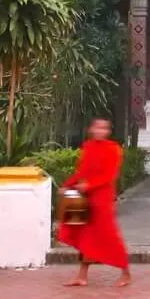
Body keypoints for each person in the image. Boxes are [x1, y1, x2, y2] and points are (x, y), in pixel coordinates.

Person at [58, 118, 131, 287]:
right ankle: (82, 276)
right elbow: (82, 171)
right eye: (97, 127)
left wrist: (88, 185)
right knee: (85, 236)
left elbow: (109, 175)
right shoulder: (88, 146)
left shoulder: (114, 149)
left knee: (109, 235)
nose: (100, 131)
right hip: (86, 197)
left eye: (104, 128)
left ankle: (125, 272)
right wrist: (67, 185)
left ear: (108, 131)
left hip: (102, 198)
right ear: (91, 129)